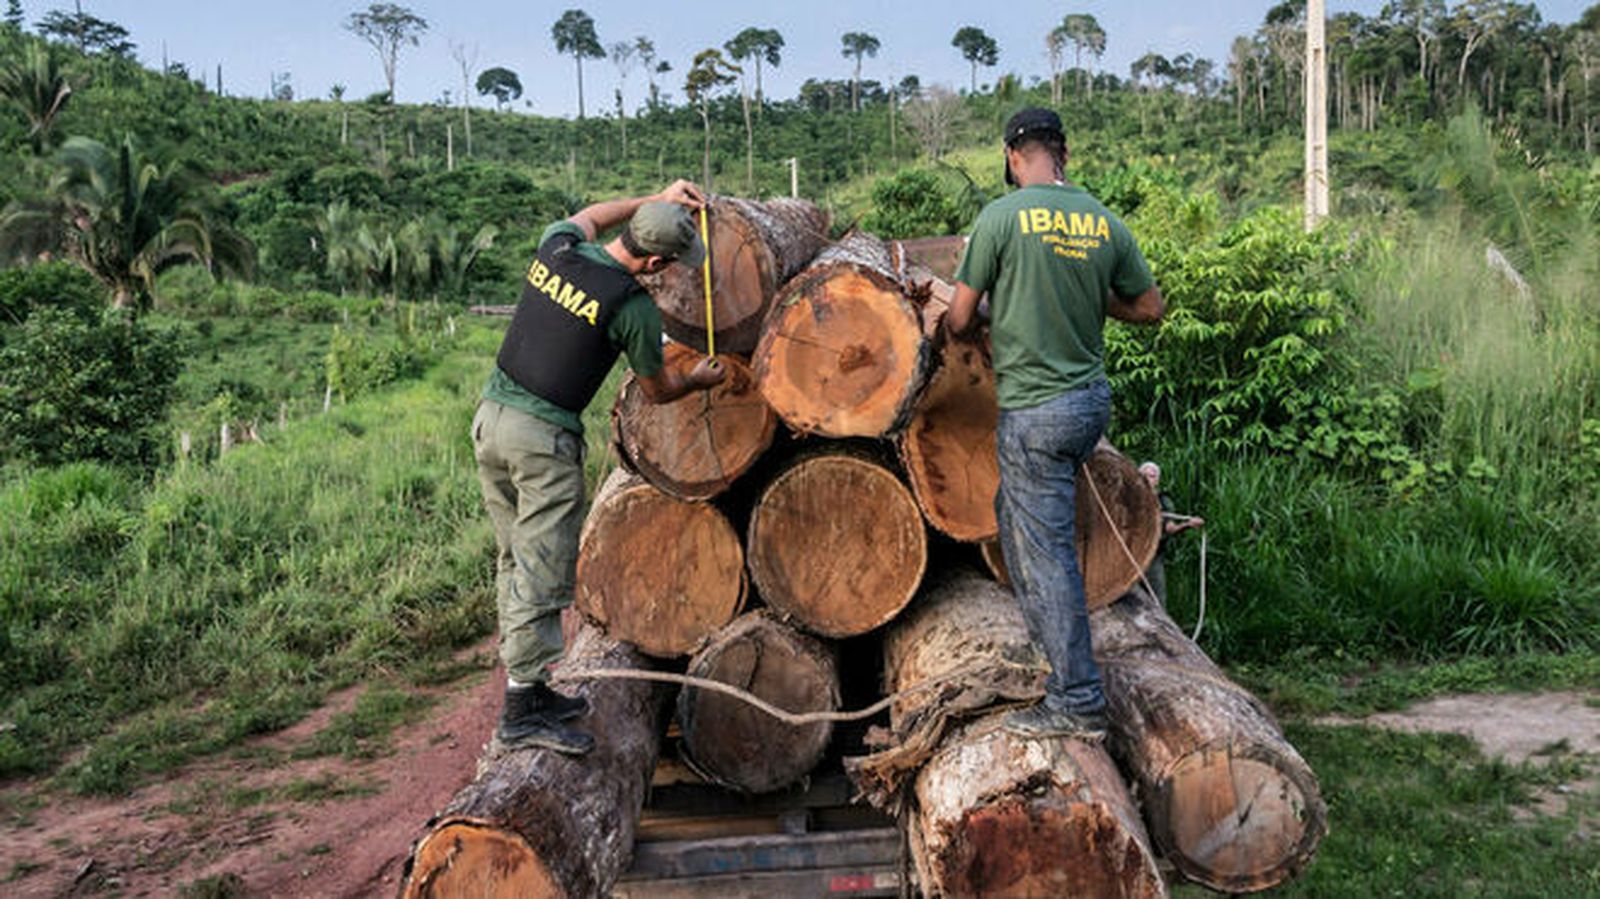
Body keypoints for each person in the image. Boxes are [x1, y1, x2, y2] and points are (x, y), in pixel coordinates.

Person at [473, 180, 725, 756]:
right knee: (541, 567)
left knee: (515, 555)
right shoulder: (630, 305)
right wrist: (698, 379)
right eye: (672, 263)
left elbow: (587, 214)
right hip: (541, 438)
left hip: (491, 418)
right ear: (657, 261)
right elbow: (658, 391)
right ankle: (520, 710)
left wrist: (651, 201)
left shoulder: (558, 249)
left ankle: (528, 686)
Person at [946, 108, 1165, 741]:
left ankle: (1076, 700)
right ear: (1062, 153)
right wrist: (1091, 293)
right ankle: (1052, 658)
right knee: (1013, 520)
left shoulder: (1001, 217)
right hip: (1088, 402)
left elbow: (960, 320)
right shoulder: (1101, 219)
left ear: (1014, 157)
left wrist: (995, 301)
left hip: (1036, 411)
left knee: (1048, 560)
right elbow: (1150, 307)